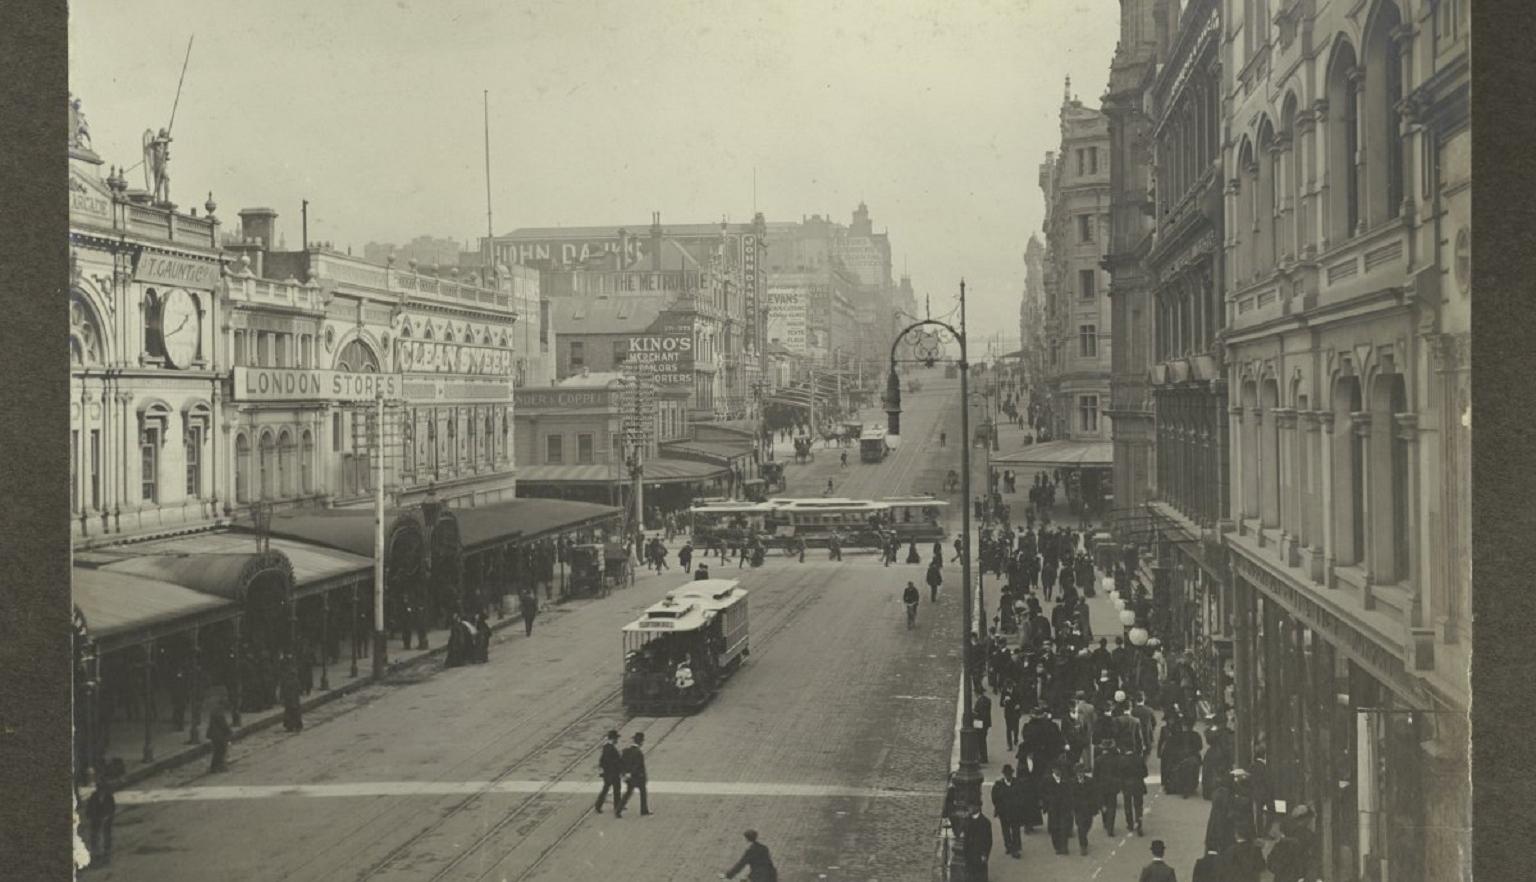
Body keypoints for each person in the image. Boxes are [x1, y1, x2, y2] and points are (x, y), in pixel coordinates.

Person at [990, 765, 1026, 859]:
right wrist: (998, 808)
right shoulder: (998, 785)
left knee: (1015, 830)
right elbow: (995, 798)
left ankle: (1015, 849)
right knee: (1005, 830)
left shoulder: (1017, 783)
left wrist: (1019, 806)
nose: (1008, 776)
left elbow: (1022, 796)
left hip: (1015, 811)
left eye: (1010, 774)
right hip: (1004, 812)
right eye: (1007, 775)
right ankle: (1008, 846)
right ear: (1004, 775)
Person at [618, 732, 651, 816]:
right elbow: (638, 765)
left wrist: (624, 773)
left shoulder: (626, 751)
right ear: (640, 742)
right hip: (638, 777)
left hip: (629, 777)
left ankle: (618, 810)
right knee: (643, 792)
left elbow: (621, 763)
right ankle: (644, 810)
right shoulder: (639, 753)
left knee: (628, 793)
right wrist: (632, 773)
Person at [595, 729, 625, 817]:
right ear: (614, 738)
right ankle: (617, 807)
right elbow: (612, 761)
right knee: (616, 790)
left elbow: (602, 760)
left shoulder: (606, 747)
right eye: (616, 739)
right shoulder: (610, 748)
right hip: (613, 773)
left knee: (606, 789)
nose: (617, 740)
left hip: (608, 773)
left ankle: (598, 805)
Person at [963, 803, 994, 881]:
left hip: (979, 854)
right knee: (970, 876)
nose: (969, 808)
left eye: (971, 806)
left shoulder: (985, 822)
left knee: (980, 876)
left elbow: (988, 841)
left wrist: (985, 854)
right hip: (969, 854)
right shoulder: (967, 820)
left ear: (977, 807)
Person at [207, 705, 232, 773]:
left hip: (214, 735)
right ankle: (217, 767)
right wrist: (229, 731)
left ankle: (216, 766)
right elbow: (224, 725)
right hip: (219, 735)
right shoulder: (220, 714)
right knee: (220, 750)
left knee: (217, 751)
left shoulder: (215, 712)